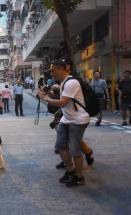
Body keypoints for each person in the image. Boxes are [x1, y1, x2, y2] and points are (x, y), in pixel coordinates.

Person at [37, 59, 90, 188]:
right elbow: (63, 100)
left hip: (78, 120)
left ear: (61, 69)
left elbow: (62, 103)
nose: (52, 73)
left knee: (75, 150)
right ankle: (70, 170)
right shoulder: (63, 83)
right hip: (67, 119)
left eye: (53, 70)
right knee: (60, 146)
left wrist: (45, 98)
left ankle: (79, 177)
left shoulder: (71, 82)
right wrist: (49, 93)